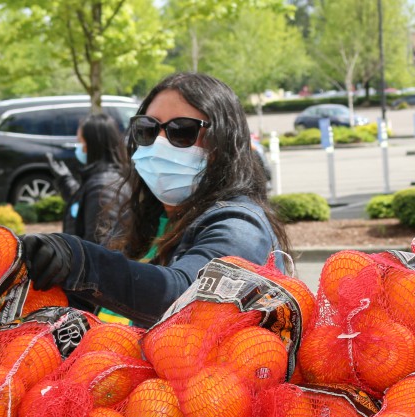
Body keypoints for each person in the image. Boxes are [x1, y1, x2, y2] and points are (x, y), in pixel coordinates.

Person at [21, 72, 291, 326]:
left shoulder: (240, 227)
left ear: (223, 144)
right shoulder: (141, 222)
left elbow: (184, 294)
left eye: (182, 131)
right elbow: (95, 300)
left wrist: (80, 259)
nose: (159, 143)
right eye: (148, 130)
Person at [45, 112, 130, 245]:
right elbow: (85, 207)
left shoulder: (103, 187)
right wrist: (65, 180)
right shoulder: (101, 179)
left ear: (92, 144)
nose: (78, 147)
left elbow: (98, 246)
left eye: (80, 142)